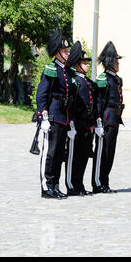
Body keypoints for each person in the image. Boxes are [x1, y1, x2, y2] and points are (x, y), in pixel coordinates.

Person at [36, 29, 75, 199]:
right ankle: (46, 187)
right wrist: (42, 114)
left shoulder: (66, 71)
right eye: (65, 51)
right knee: (49, 154)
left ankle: (55, 185)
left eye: (68, 51)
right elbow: (42, 93)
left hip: (63, 117)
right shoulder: (51, 68)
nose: (68, 53)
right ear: (57, 52)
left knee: (59, 154)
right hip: (52, 116)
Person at [92, 41, 125, 194]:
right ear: (110, 62)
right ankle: (97, 183)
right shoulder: (103, 79)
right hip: (106, 118)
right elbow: (99, 101)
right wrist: (98, 121)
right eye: (116, 61)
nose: (118, 64)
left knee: (110, 153)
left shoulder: (116, 79)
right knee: (102, 152)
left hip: (115, 118)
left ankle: (105, 181)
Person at [65, 41, 95, 196]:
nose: (87, 65)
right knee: (74, 157)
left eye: (87, 63)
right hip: (77, 123)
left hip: (87, 124)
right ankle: (71, 186)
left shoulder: (87, 81)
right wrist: (71, 124)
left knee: (83, 156)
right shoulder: (75, 80)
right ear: (77, 65)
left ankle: (80, 184)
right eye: (84, 63)